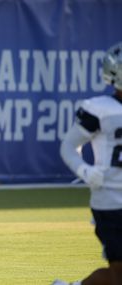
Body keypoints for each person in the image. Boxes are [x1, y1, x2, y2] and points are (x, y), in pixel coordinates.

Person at [53, 42, 122, 285]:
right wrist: (85, 170)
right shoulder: (100, 109)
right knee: (118, 274)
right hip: (112, 201)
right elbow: (68, 146)